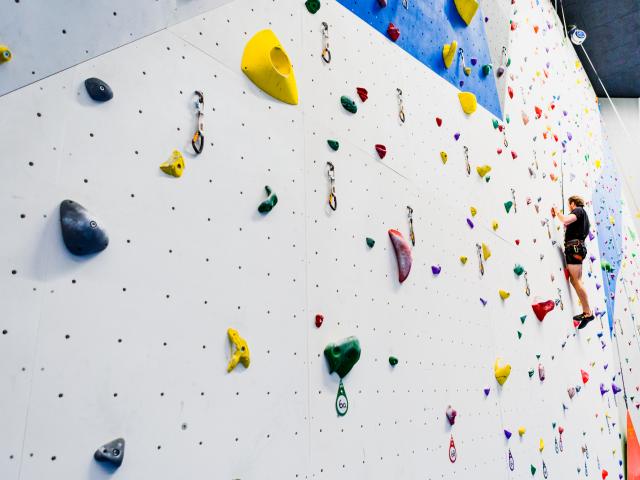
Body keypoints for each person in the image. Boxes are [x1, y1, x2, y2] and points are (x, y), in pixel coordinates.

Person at [552, 195, 594, 329]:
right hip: (578, 248)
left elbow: (565, 219)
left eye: (569, 204)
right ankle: (587, 312)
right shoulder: (585, 220)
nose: (569, 207)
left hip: (574, 248)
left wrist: (557, 211)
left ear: (573, 204)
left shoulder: (579, 211)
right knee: (576, 281)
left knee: (576, 281)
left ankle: (588, 313)